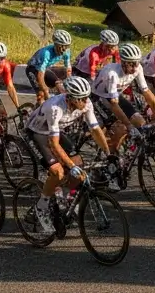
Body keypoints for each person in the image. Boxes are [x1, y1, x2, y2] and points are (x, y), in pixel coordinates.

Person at [23, 76, 114, 233]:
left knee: (79, 168)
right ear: (71, 98)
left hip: (56, 132)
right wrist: (70, 166)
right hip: (37, 134)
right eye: (81, 99)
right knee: (58, 172)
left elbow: (95, 129)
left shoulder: (86, 103)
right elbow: (53, 144)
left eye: (86, 97)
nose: (85, 102)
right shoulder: (55, 108)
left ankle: (63, 196)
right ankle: (41, 207)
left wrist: (108, 153)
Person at [90, 42, 155, 155]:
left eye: (136, 63)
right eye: (131, 64)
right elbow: (114, 104)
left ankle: (128, 152)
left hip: (115, 95)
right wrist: (129, 125)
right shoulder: (112, 74)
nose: (135, 68)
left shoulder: (138, 68)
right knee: (121, 129)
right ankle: (110, 155)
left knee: (140, 122)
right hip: (99, 97)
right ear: (123, 63)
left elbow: (146, 91)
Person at [25, 29, 74, 102]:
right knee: (42, 94)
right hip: (32, 69)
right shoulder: (46, 53)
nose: (63, 50)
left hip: (45, 69)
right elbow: (40, 76)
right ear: (55, 45)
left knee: (59, 84)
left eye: (66, 46)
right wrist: (45, 90)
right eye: (60, 47)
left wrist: (70, 85)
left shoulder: (67, 51)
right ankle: (40, 107)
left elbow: (68, 70)